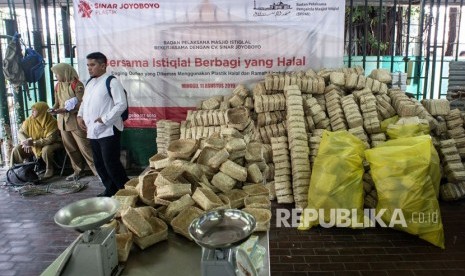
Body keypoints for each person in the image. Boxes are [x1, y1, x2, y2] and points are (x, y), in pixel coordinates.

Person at [77, 52, 129, 197]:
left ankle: (126, 192)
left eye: (92, 65)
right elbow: (84, 102)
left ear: (103, 65)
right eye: (88, 65)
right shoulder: (89, 82)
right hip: (93, 130)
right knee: (99, 164)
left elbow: (121, 104)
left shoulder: (112, 81)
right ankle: (110, 189)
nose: (89, 68)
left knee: (111, 163)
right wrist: (80, 115)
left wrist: (105, 119)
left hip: (109, 130)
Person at [50, 63, 97, 181]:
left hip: (75, 121)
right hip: (62, 122)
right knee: (70, 149)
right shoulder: (58, 86)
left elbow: (82, 103)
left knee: (85, 147)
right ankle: (78, 171)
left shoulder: (77, 85)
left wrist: (66, 109)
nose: (56, 76)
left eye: (57, 73)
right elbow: (57, 102)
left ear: (64, 72)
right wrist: (53, 109)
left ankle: (98, 172)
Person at [10, 102, 63, 180]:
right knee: (16, 149)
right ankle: (13, 171)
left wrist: (33, 143)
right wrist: (26, 142)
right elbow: (20, 132)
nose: (32, 112)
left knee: (46, 149)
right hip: (33, 145)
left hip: (53, 143)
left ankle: (49, 169)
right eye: (32, 110)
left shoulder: (52, 122)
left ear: (42, 111)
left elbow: (50, 139)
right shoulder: (30, 120)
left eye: (34, 110)